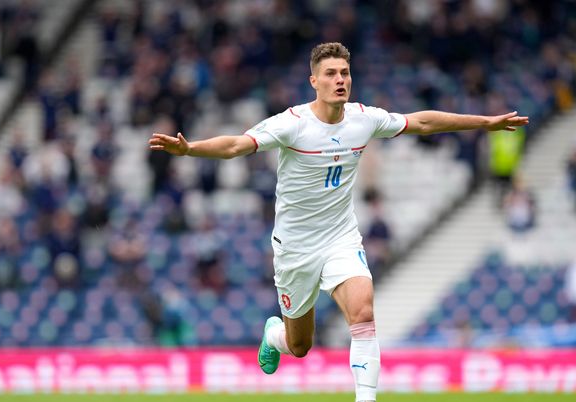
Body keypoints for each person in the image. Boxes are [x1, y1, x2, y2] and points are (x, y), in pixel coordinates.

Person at [149, 42, 528, 402]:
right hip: (295, 248)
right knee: (300, 346)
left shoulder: (364, 119)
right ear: (314, 81)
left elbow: (422, 123)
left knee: (363, 311)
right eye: (330, 73)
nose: (340, 80)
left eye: (345, 72)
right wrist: (189, 148)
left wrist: (484, 122)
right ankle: (274, 335)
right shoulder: (292, 124)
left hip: (340, 238)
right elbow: (235, 146)